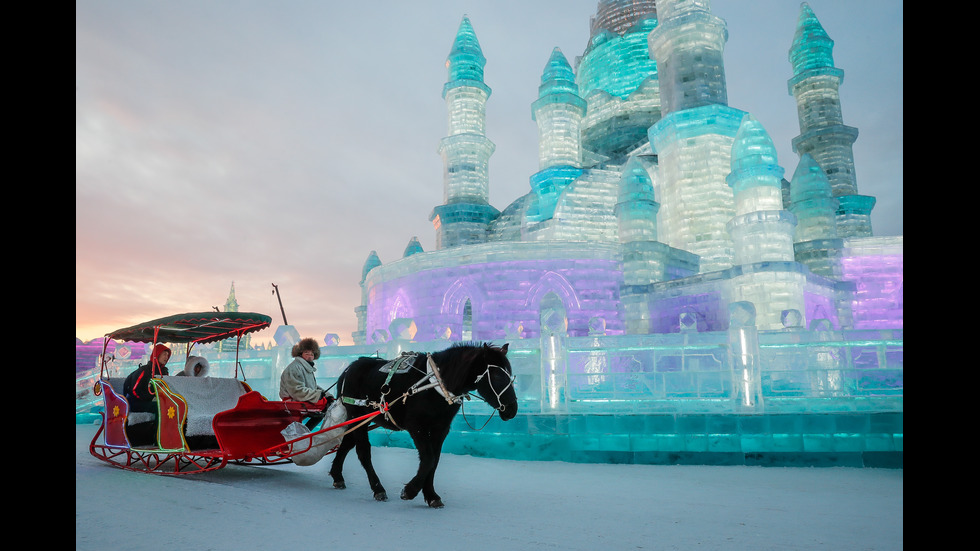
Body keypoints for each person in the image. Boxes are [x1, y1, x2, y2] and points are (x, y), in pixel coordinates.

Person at [279, 337, 333, 429]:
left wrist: (327, 395)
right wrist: (318, 395)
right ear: (300, 353)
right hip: (293, 402)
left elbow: (313, 387)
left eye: (312, 354)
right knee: (325, 405)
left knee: (329, 403)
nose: (309, 356)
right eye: (306, 353)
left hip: (302, 400)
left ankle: (306, 432)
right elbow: (297, 391)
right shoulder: (294, 368)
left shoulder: (306, 368)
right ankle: (305, 433)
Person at [123, 343, 172, 413]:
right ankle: (157, 424)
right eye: (164, 354)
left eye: (168, 355)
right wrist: (149, 398)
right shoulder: (145, 370)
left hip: (154, 400)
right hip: (136, 402)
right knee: (159, 407)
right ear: (157, 355)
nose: (166, 357)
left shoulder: (164, 372)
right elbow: (134, 390)